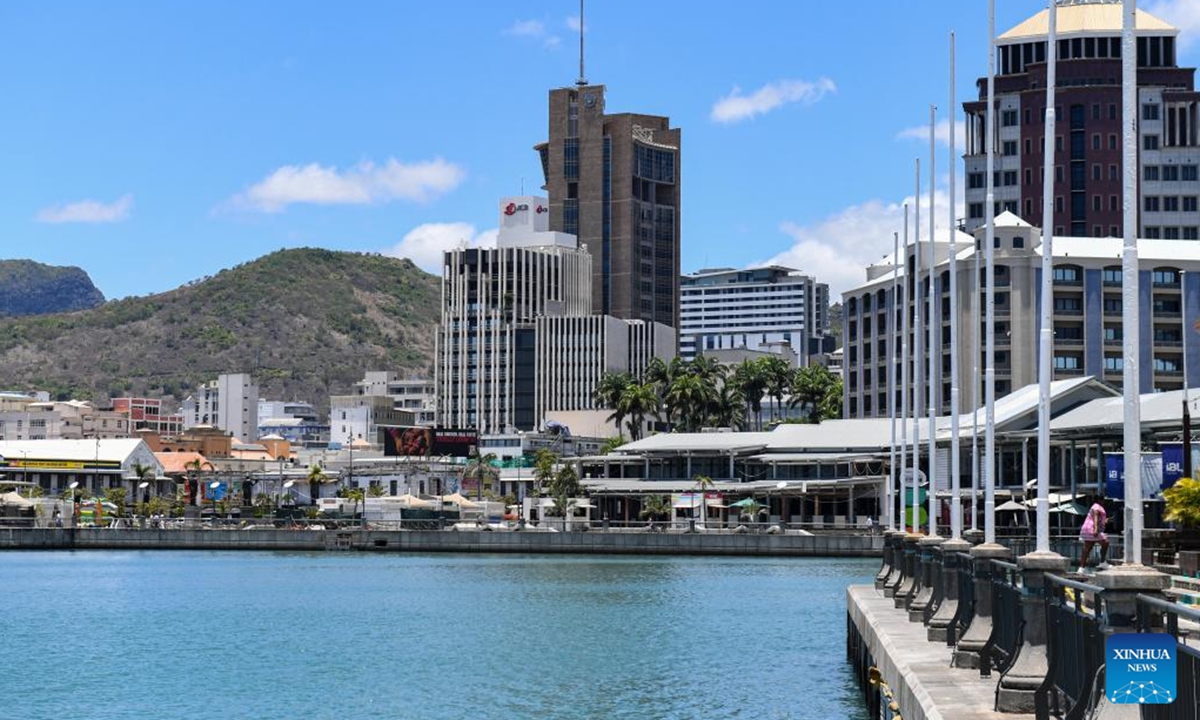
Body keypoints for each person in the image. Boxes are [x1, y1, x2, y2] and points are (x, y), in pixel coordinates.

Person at [1078, 496, 1110, 572]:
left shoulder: (1094, 506)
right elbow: (1095, 516)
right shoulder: (1097, 507)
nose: (1104, 501)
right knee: (1105, 542)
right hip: (1091, 529)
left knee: (1087, 548)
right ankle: (1102, 562)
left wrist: (1104, 521)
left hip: (1086, 529)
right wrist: (1095, 529)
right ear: (1099, 500)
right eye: (1103, 500)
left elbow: (1096, 518)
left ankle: (1081, 568)